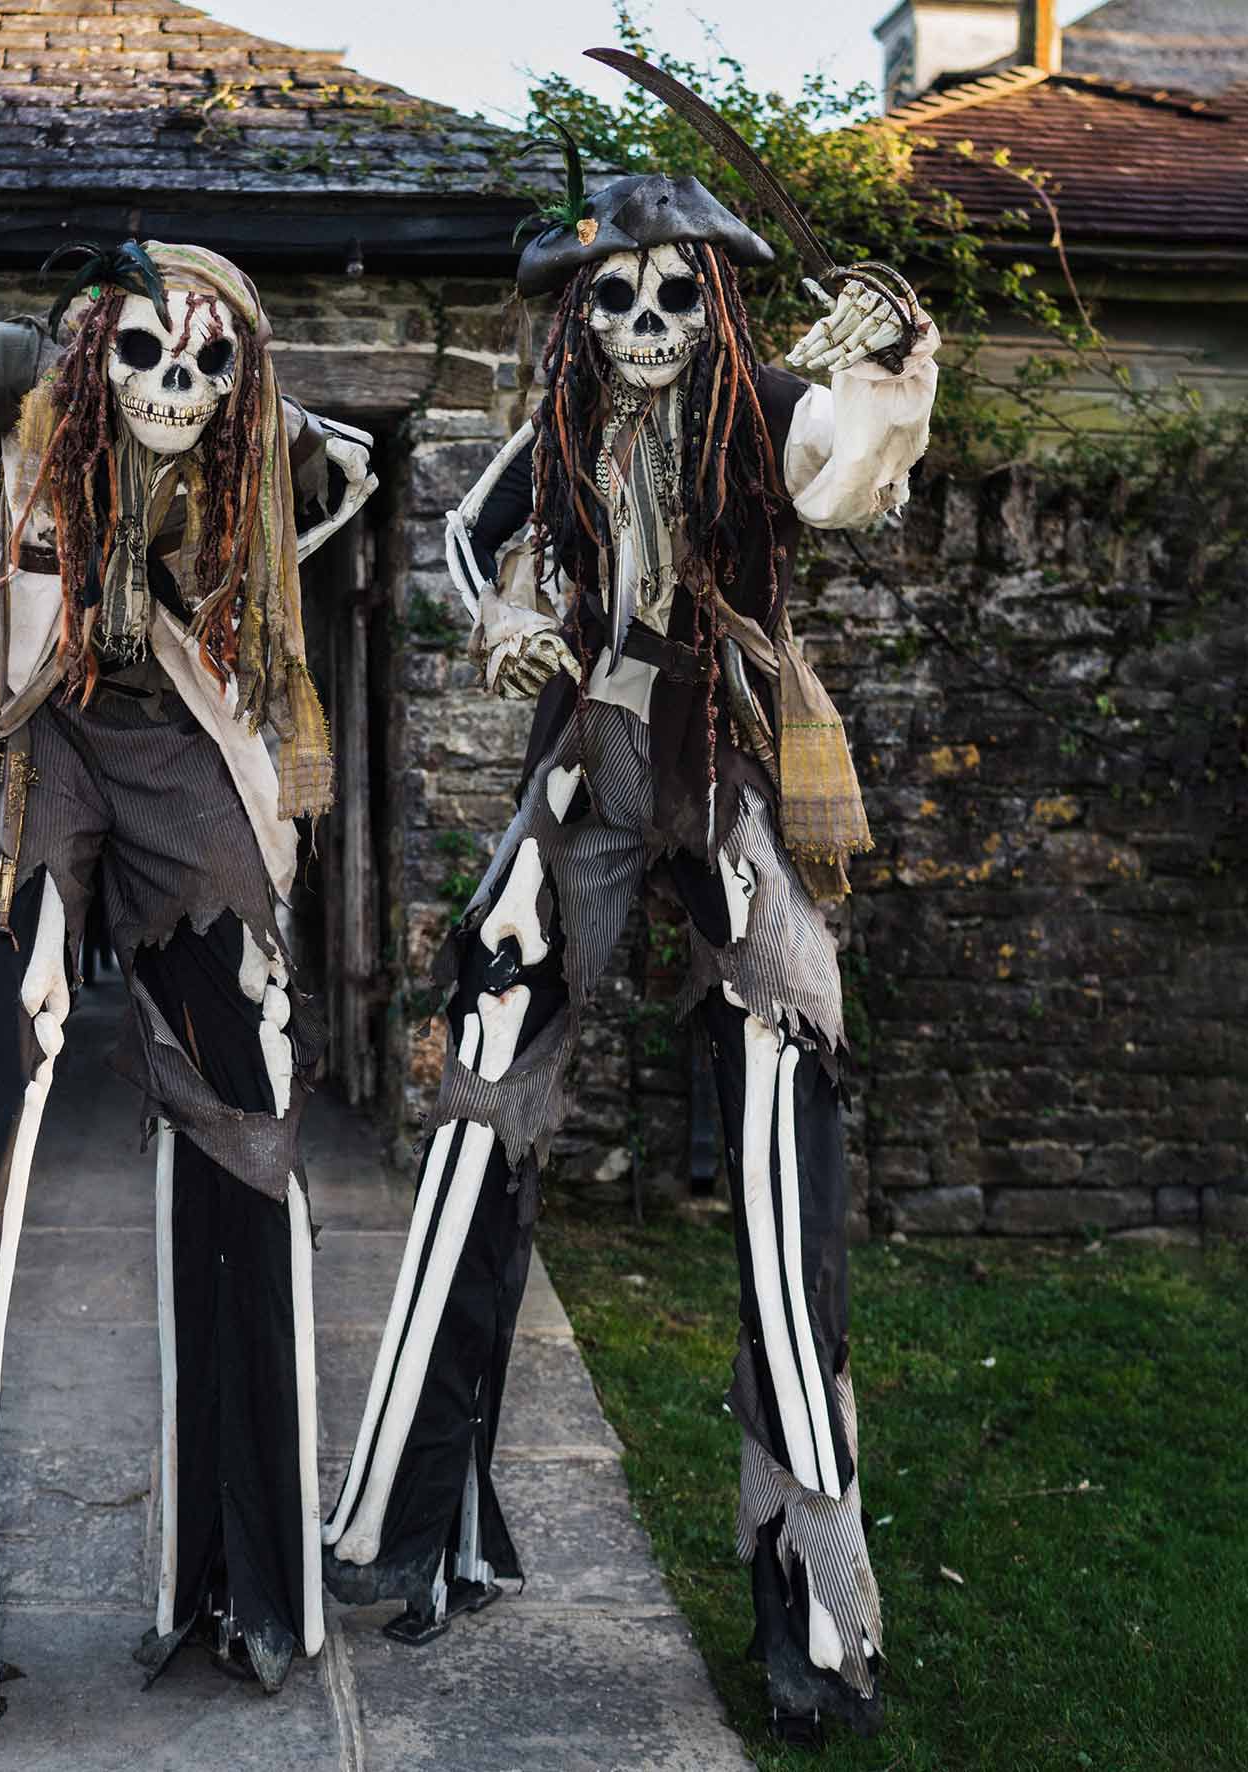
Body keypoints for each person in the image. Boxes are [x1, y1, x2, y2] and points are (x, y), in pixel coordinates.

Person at [321, 164, 938, 1746]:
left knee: (783, 1114)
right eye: (615, 297)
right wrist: (512, 618)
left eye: (674, 297)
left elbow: (840, 479)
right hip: (589, 763)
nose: (646, 324)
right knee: (487, 1072)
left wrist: (886, 371)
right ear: (580, 315)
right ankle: (416, 1522)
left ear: (714, 304)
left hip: (729, 766)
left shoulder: (766, 405)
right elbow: (472, 537)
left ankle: (815, 1611)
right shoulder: (562, 429)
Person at [0, 240, 376, 1739]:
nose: (173, 386)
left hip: (183, 749)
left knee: (245, 1102)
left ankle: (246, 1584)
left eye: (205, 364)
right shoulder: (40, 389)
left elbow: (329, 462)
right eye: (145, 355)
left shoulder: (256, 438)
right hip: (41, 734)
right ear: (95, 352)